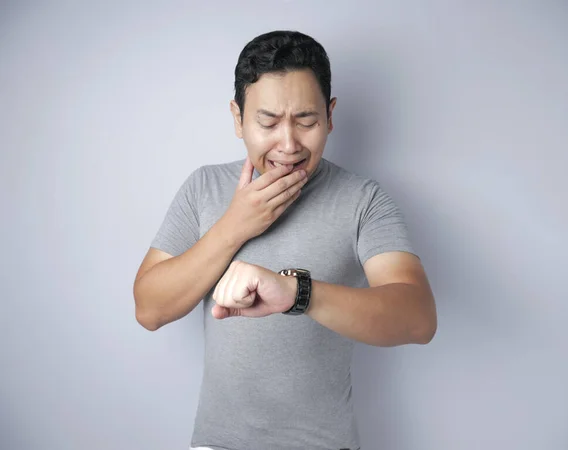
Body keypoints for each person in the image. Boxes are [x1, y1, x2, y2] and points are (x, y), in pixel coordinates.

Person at [133, 30, 437, 450]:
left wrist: (297, 293)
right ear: (238, 118)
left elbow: (418, 319)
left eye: (307, 121)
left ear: (330, 116)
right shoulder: (203, 187)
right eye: (268, 122)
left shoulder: (363, 200)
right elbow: (149, 309)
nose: (289, 144)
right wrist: (235, 226)